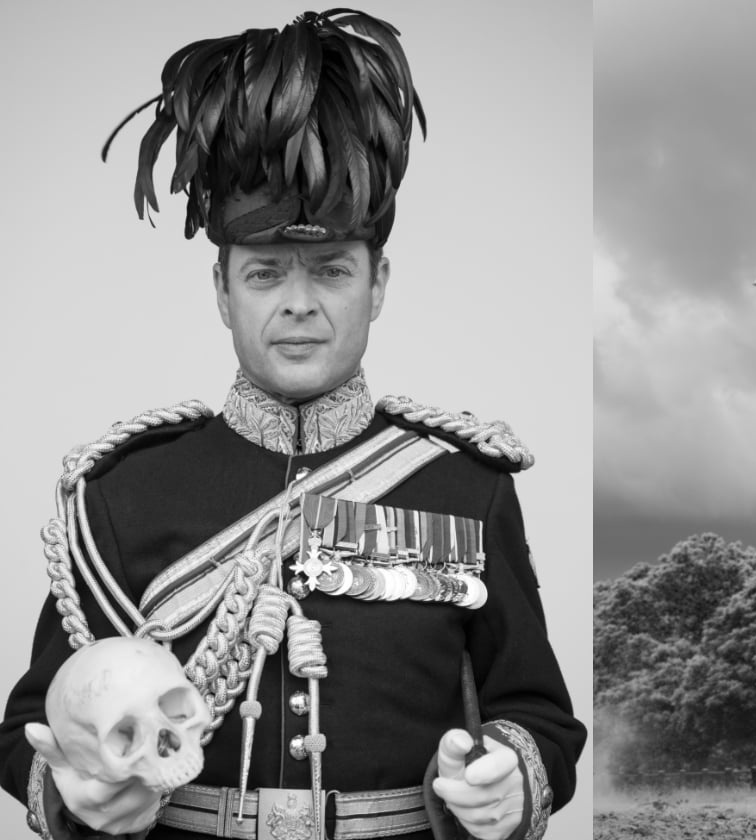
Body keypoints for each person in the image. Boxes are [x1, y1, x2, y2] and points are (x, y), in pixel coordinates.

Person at [0, 10, 585, 840]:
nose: (300, 304)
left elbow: (536, 710)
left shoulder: (466, 484)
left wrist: (508, 774)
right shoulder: (124, 491)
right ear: (222, 290)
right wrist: (73, 793)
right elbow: (33, 722)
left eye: (334, 271)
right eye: (266, 272)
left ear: (378, 285)